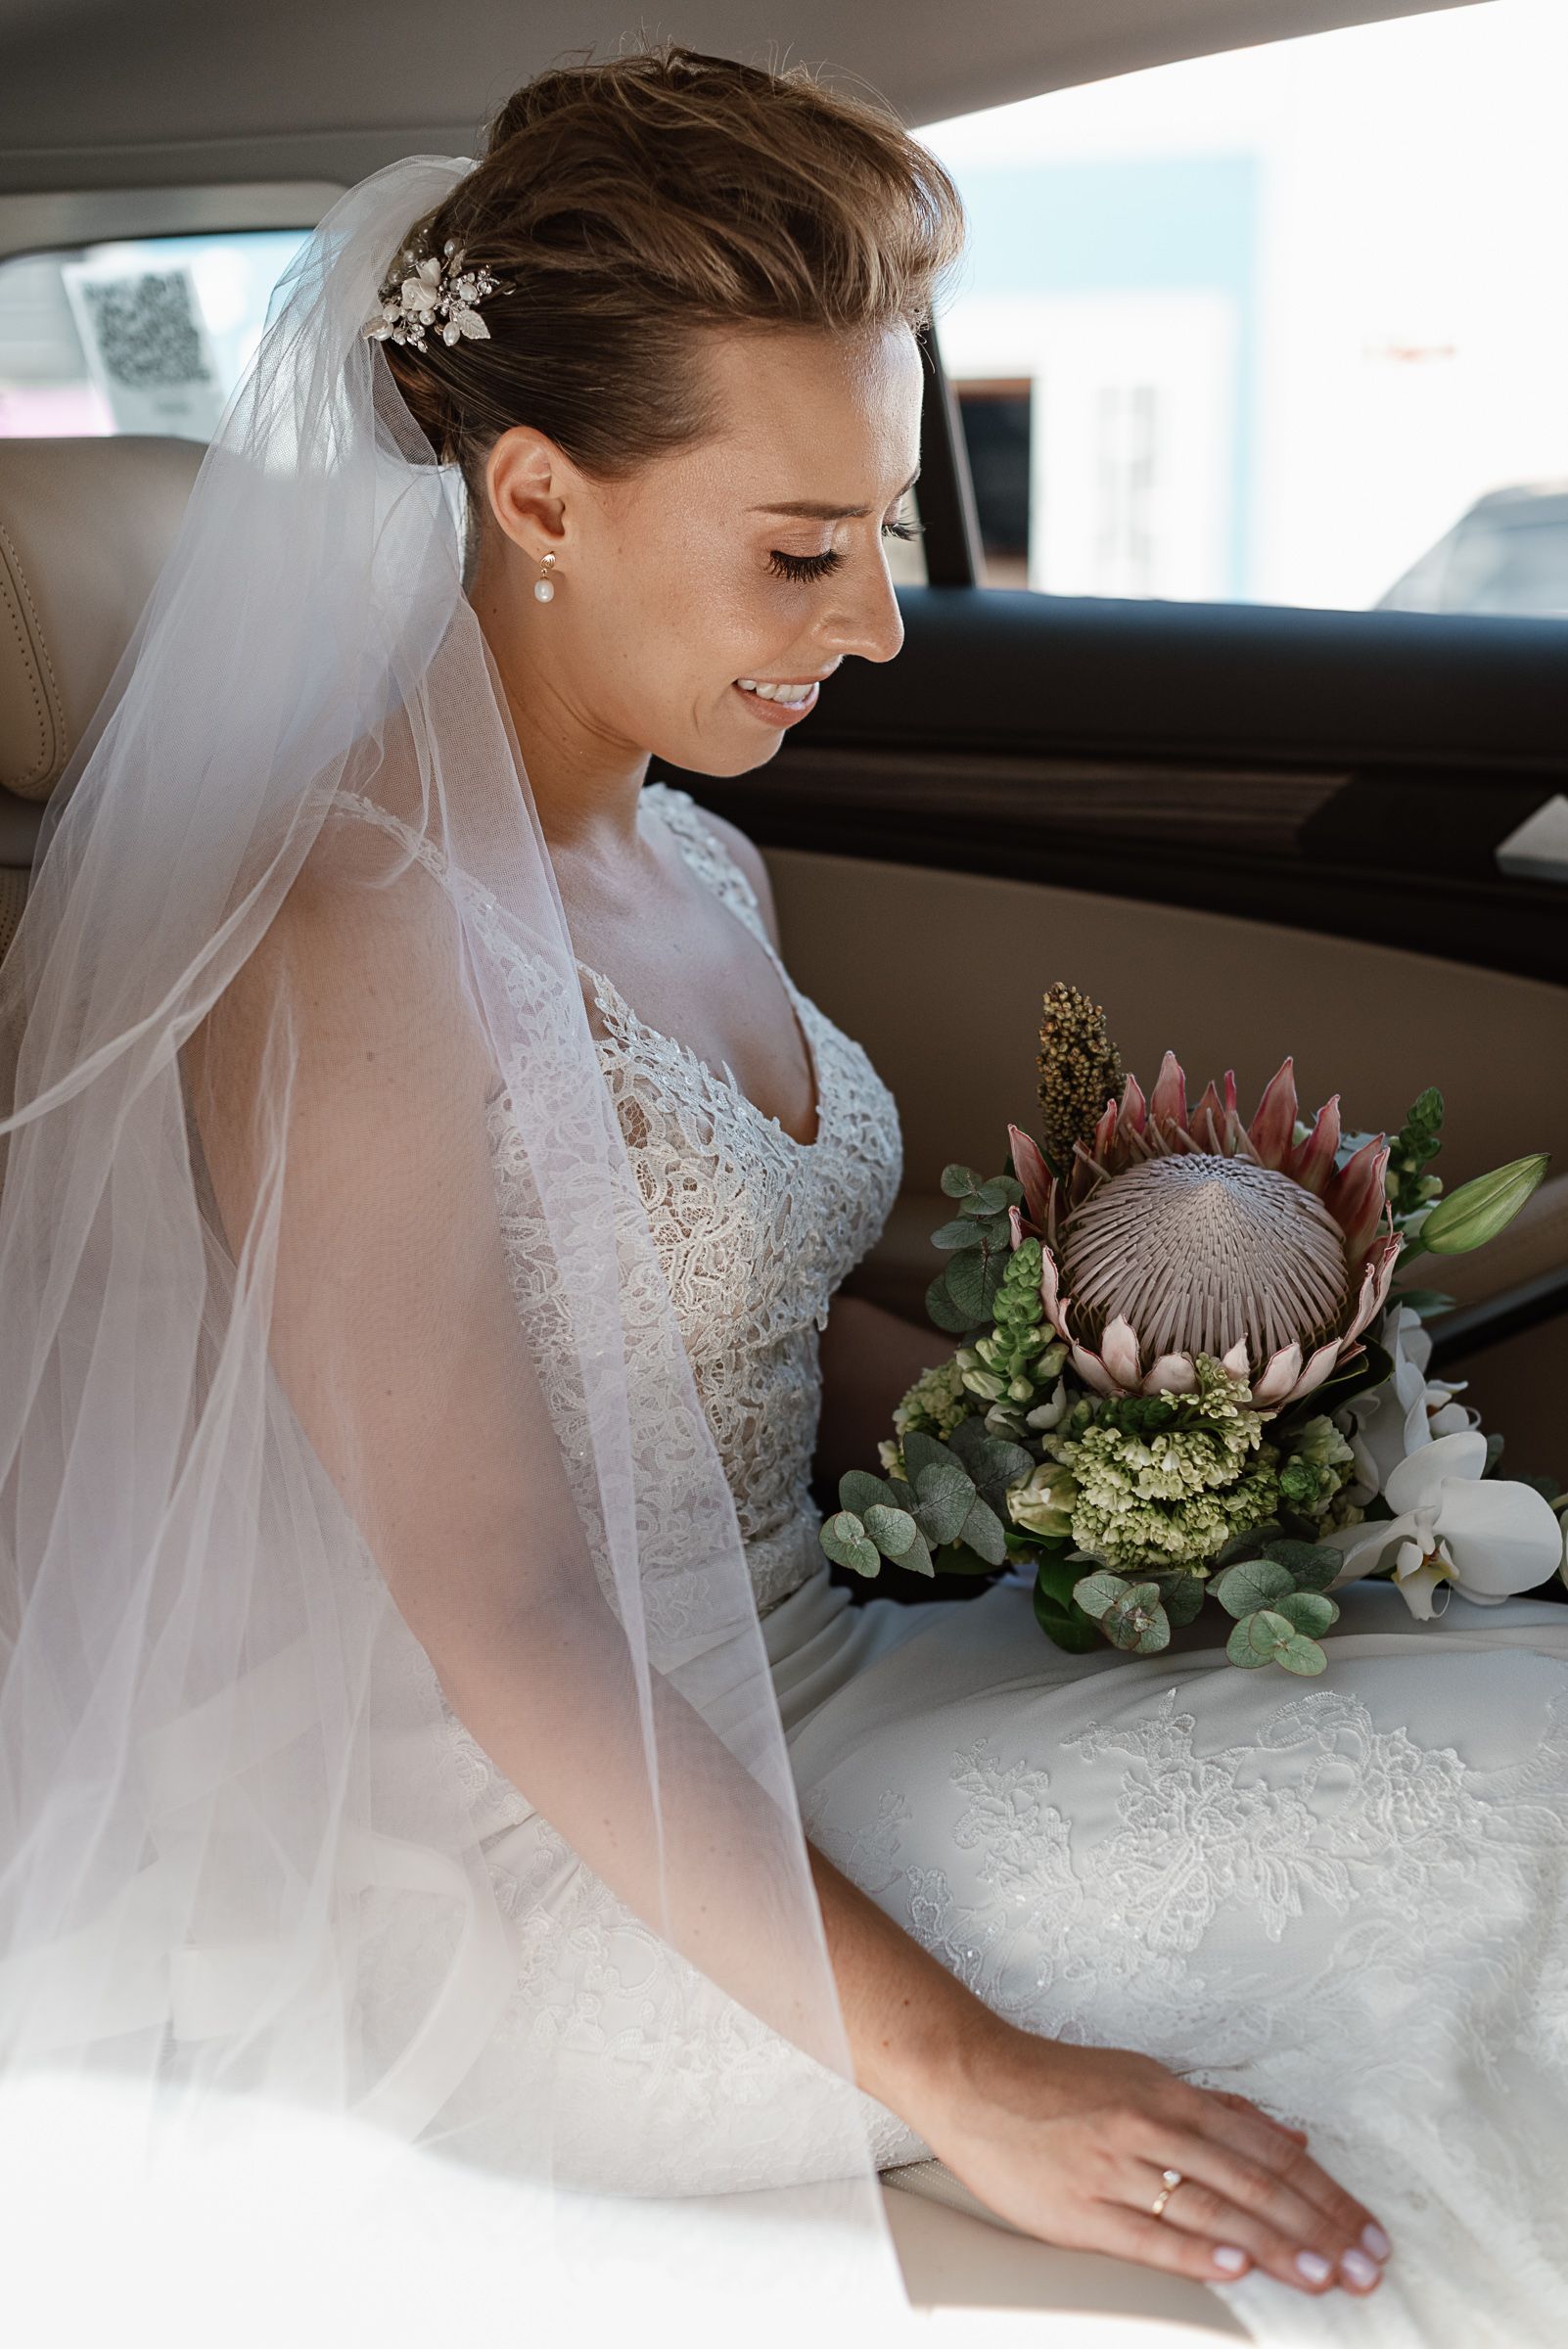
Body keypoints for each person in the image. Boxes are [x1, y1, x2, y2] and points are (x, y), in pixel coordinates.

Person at [1, 41, 1564, 2349]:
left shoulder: (694, 854)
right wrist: (980, 2077)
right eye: (803, 552)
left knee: (1512, 1731)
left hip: (802, 1685)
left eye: (890, 542)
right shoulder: (360, 941)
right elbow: (509, 1604)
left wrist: (1134, 1454)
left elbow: (721, 1307)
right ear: (535, 493)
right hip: (548, 1875)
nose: (879, 628)